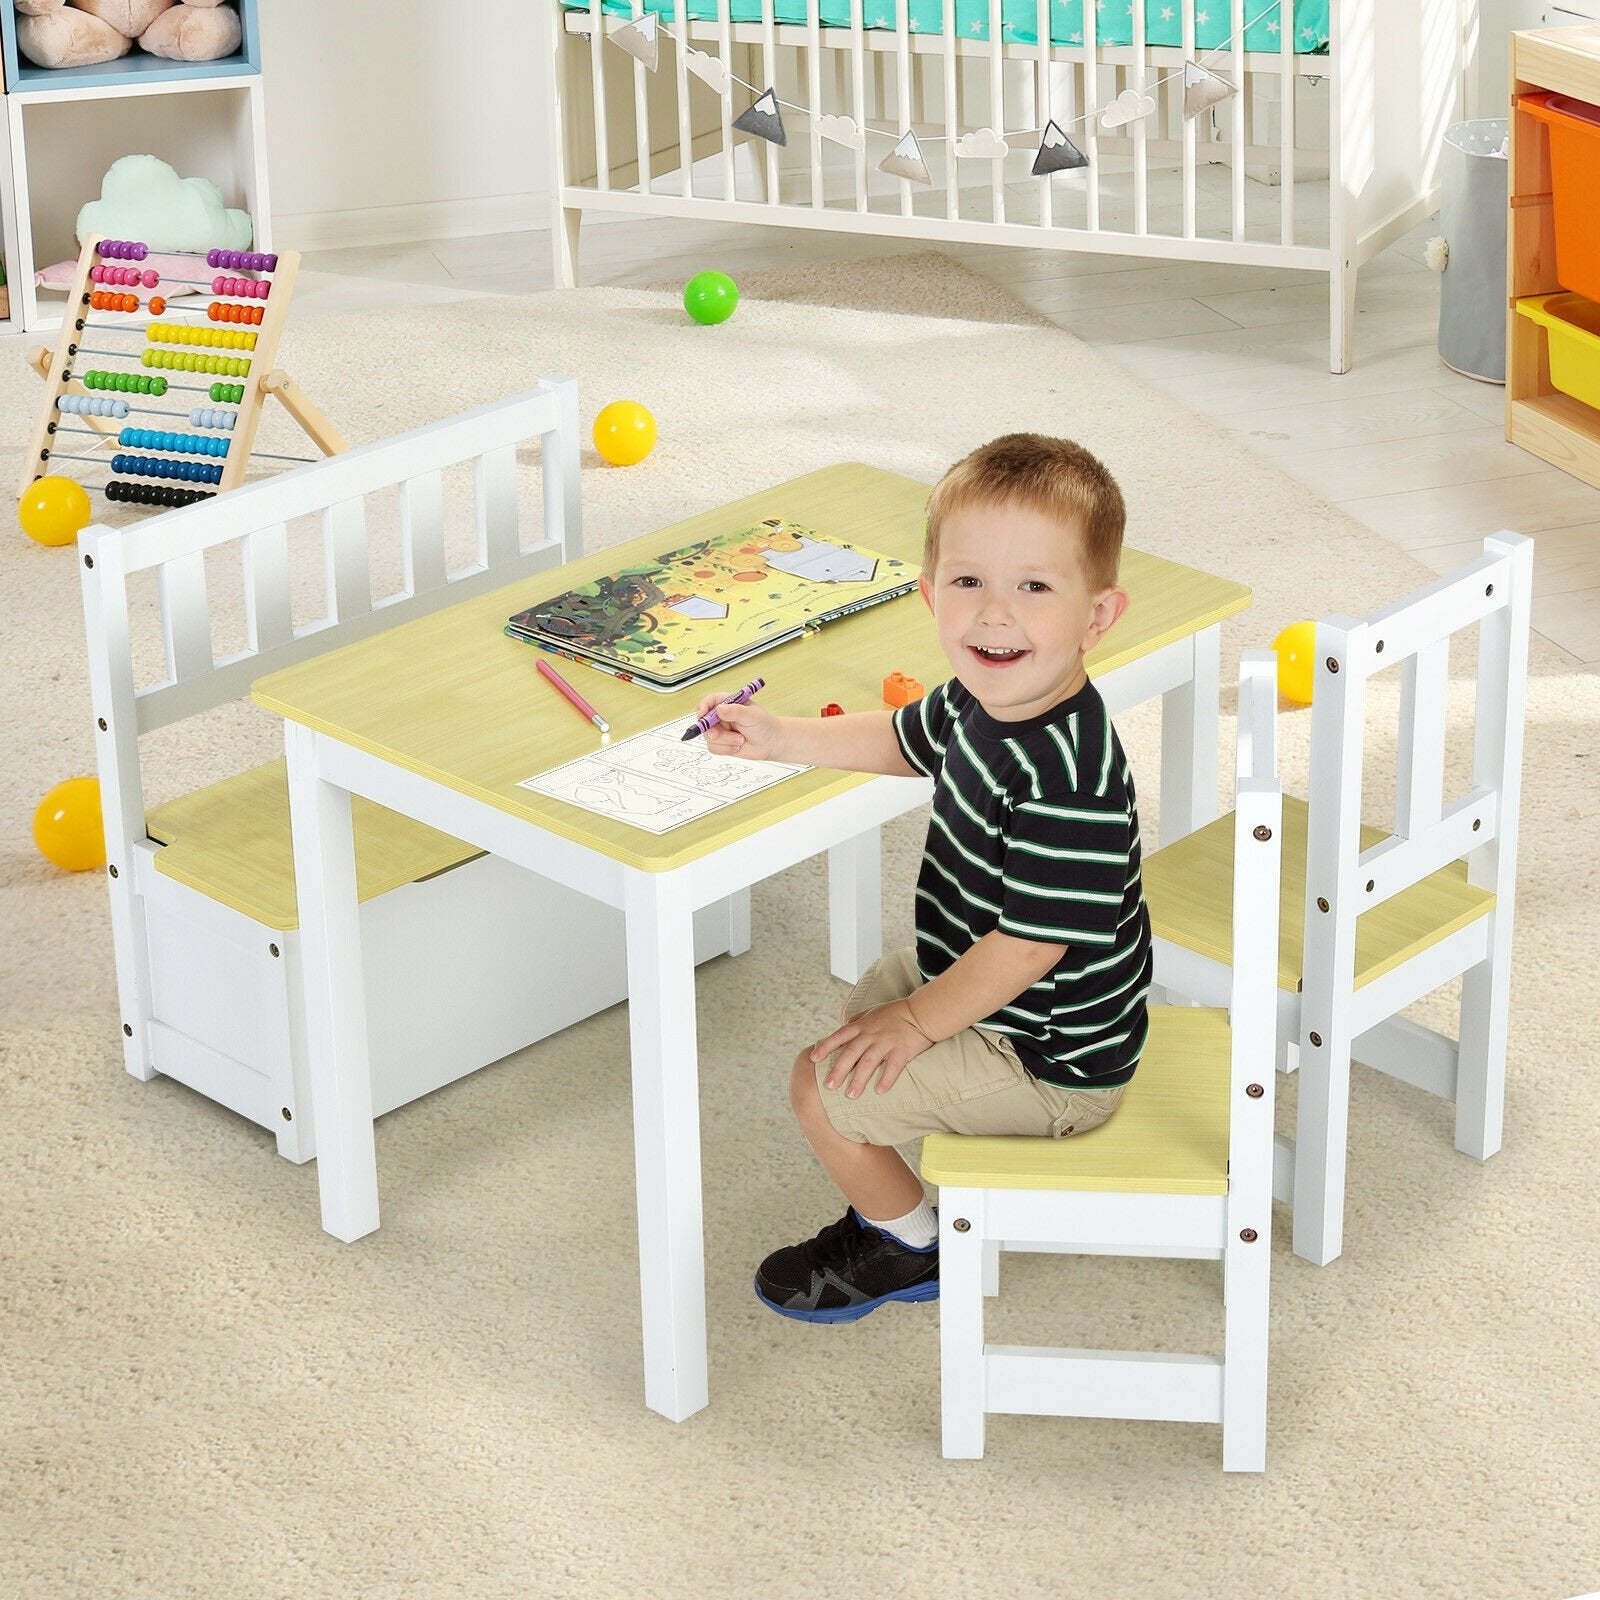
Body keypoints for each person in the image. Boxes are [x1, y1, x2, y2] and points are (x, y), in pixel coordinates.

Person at [697, 433, 1153, 1322]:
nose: (993, 616)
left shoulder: (1070, 773)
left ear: (1098, 616)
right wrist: (780, 736)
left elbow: (1027, 947)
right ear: (929, 592)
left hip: (1054, 1059)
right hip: (988, 987)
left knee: (819, 1089)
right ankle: (904, 1165)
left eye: (1034, 587)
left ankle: (910, 1245)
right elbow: (903, 739)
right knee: (860, 1016)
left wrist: (915, 1024)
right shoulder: (984, 697)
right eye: (970, 581)